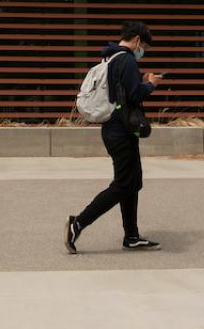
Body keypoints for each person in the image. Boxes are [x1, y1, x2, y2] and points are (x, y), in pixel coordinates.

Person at [65, 21, 164, 254]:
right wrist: (150, 84)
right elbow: (134, 93)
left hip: (114, 129)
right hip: (120, 131)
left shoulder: (111, 58)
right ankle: (78, 223)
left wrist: (141, 80)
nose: (143, 53)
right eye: (145, 48)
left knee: (133, 181)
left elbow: (121, 91)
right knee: (123, 184)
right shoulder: (127, 59)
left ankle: (131, 236)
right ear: (137, 40)